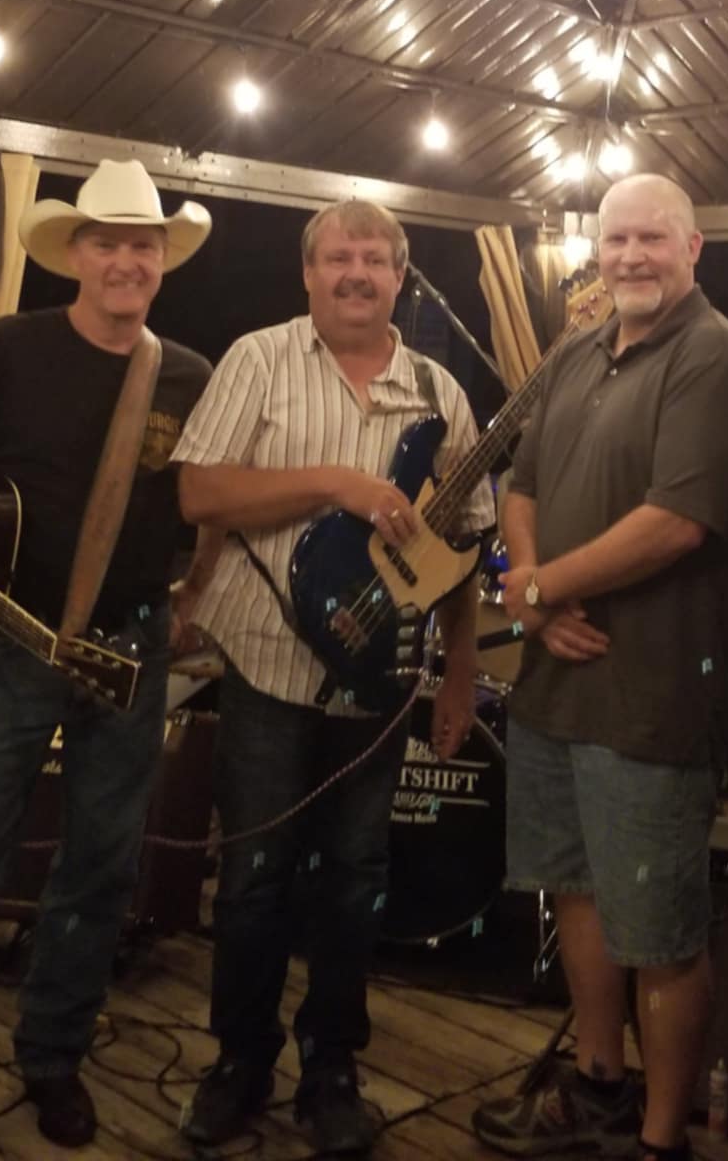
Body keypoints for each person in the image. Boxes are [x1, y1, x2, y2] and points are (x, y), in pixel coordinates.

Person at [0, 160, 216, 1161]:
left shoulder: (188, 374)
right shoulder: (8, 349)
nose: (123, 258)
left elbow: (211, 496)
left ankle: (52, 1059)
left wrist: (199, 588)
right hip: (10, 647)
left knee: (100, 873)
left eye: (140, 244)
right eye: (104, 241)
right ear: (73, 253)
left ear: (161, 261)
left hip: (133, 648)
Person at [170, 199, 493, 1156]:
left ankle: (331, 1066)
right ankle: (239, 1061)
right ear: (307, 275)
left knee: (355, 880)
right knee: (254, 877)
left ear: (402, 276)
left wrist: (461, 670)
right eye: (338, 259)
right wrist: (335, 484)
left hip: (383, 681)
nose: (357, 273)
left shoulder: (440, 391)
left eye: (376, 260)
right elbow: (200, 490)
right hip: (266, 666)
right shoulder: (257, 359)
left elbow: (464, 545)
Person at [472, 174, 728, 1161]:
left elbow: (676, 522)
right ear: (595, 253)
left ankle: (657, 1138)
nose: (630, 256)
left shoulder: (715, 358)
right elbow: (520, 485)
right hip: (553, 684)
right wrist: (529, 590)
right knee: (575, 891)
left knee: (660, 931)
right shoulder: (576, 352)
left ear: (693, 250)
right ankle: (597, 1086)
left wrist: (540, 588)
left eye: (651, 239)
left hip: (651, 696)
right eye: (615, 241)